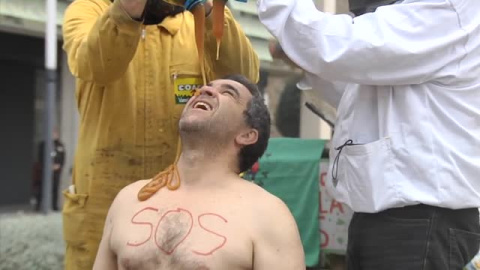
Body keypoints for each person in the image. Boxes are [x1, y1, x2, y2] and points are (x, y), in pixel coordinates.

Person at [256, 0, 480, 269]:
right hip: (399, 221)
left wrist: (292, 24)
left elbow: (338, 47)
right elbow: (358, 93)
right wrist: (307, 61)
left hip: (420, 222)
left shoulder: (449, 6)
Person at [62, 0, 259, 268]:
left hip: (192, 209)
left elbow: (244, 79)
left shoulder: (198, 19)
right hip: (102, 208)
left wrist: (211, 10)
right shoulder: (89, 9)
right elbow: (96, 65)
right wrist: (128, 10)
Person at [92, 75, 305, 270]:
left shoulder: (268, 214)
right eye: (205, 87)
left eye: (228, 92)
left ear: (247, 135)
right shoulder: (130, 198)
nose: (205, 90)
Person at [34, 129, 65, 211]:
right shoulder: (43, 144)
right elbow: (40, 157)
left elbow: (62, 158)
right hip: (44, 171)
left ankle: (54, 206)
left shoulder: (60, 145)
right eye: (52, 133)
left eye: (55, 133)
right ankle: (38, 206)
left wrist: (58, 166)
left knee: (55, 188)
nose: (54, 135)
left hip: (56, 171)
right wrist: (48, 166)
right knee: (41, 188)